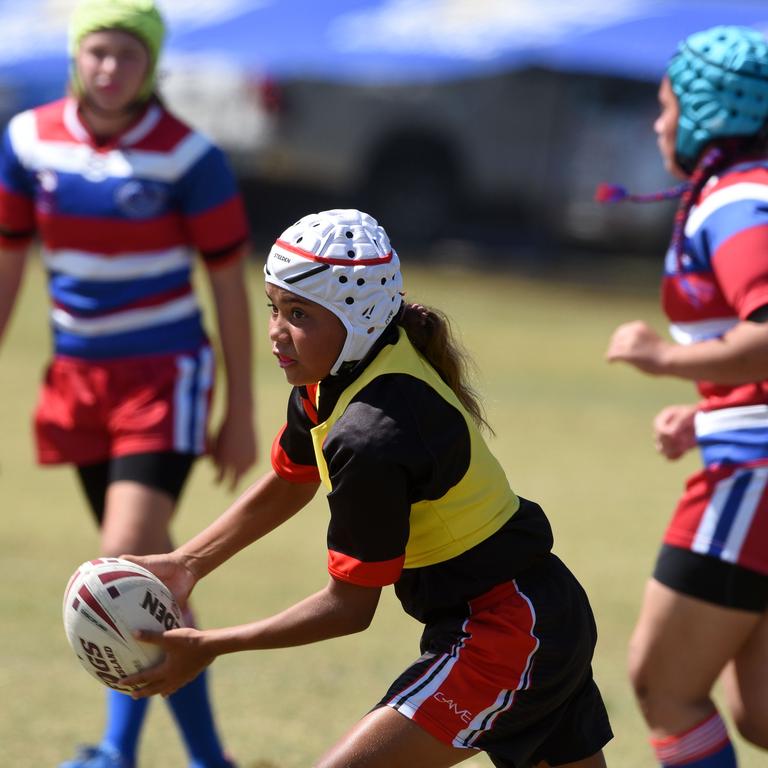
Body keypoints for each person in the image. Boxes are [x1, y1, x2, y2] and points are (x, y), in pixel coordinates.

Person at [116, 208, 612, 767]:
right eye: (274, 308)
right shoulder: (336, 374)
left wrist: (213, 645)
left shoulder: (373, 435)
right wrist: (188, 563)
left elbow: (348, 608)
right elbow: (288, 480)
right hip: (529, 616)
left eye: (298, 313)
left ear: (358, 318)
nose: (277, 333)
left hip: (508, 631)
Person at [0, 1, 257, 766]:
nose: (111, 69)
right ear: (78, 55)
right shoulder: (24, 139)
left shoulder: (190, 156)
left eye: (129, 56)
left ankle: (117, 753)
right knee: (152, 577)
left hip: (165, 378)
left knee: (121, 563)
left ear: (153, 66)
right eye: (99, 53)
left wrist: (240, 407)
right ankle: (211, 758)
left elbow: (229, 288)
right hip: (78, 379)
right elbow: (10, 260)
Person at [604, 24, 768, 768]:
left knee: (663, 682)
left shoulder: (735, 201)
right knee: (762, 712)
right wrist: (712, 410)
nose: (657, 122)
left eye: (667, 105)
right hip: (748, 453)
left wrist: (663, 357)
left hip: (752, 481)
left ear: (709, 111)